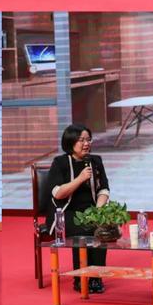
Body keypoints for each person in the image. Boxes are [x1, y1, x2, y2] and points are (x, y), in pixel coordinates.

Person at [45, 123, 110, 294]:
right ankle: (80, 278)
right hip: (64, 213)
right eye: (81, 140)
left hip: (91, 211)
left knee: (102, 227)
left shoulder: (96, 161)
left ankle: (96, 278)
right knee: (84, 228)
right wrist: (80, 179)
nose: (86, 144)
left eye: (88, 139)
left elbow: (104, 189)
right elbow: (57, 193)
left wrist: (98, 211)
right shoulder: (60, 163)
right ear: (70, 142)